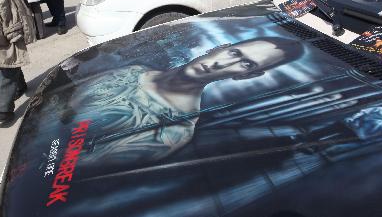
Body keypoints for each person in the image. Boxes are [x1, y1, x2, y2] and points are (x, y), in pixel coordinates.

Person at [59, 37, 303, 167]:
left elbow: (78, 166)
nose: (223, 64)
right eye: (234, 53)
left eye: (246, 64)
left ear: (247, 75)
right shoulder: (134, 70)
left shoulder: (171, 132)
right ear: (222, 47)